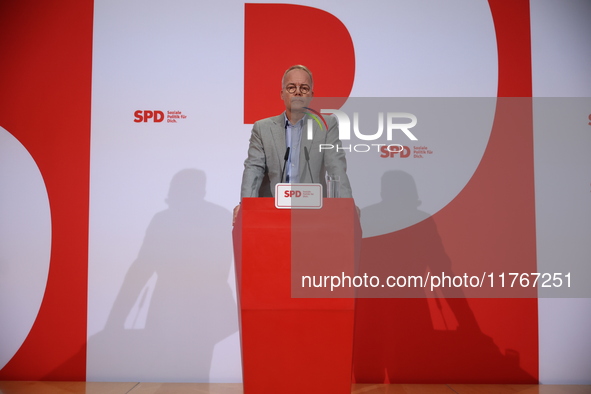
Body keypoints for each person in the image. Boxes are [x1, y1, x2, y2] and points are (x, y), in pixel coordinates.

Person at [233, 65, 353, 223]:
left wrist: (345, 205)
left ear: (311, 95)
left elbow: (336, 167)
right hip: (271, 212)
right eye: (291, 87)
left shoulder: (326, 124)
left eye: (304, 88)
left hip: (314, 212)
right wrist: (246, 205)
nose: (297, 92)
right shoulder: (262, 128)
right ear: (282, 94)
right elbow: (254, 169)